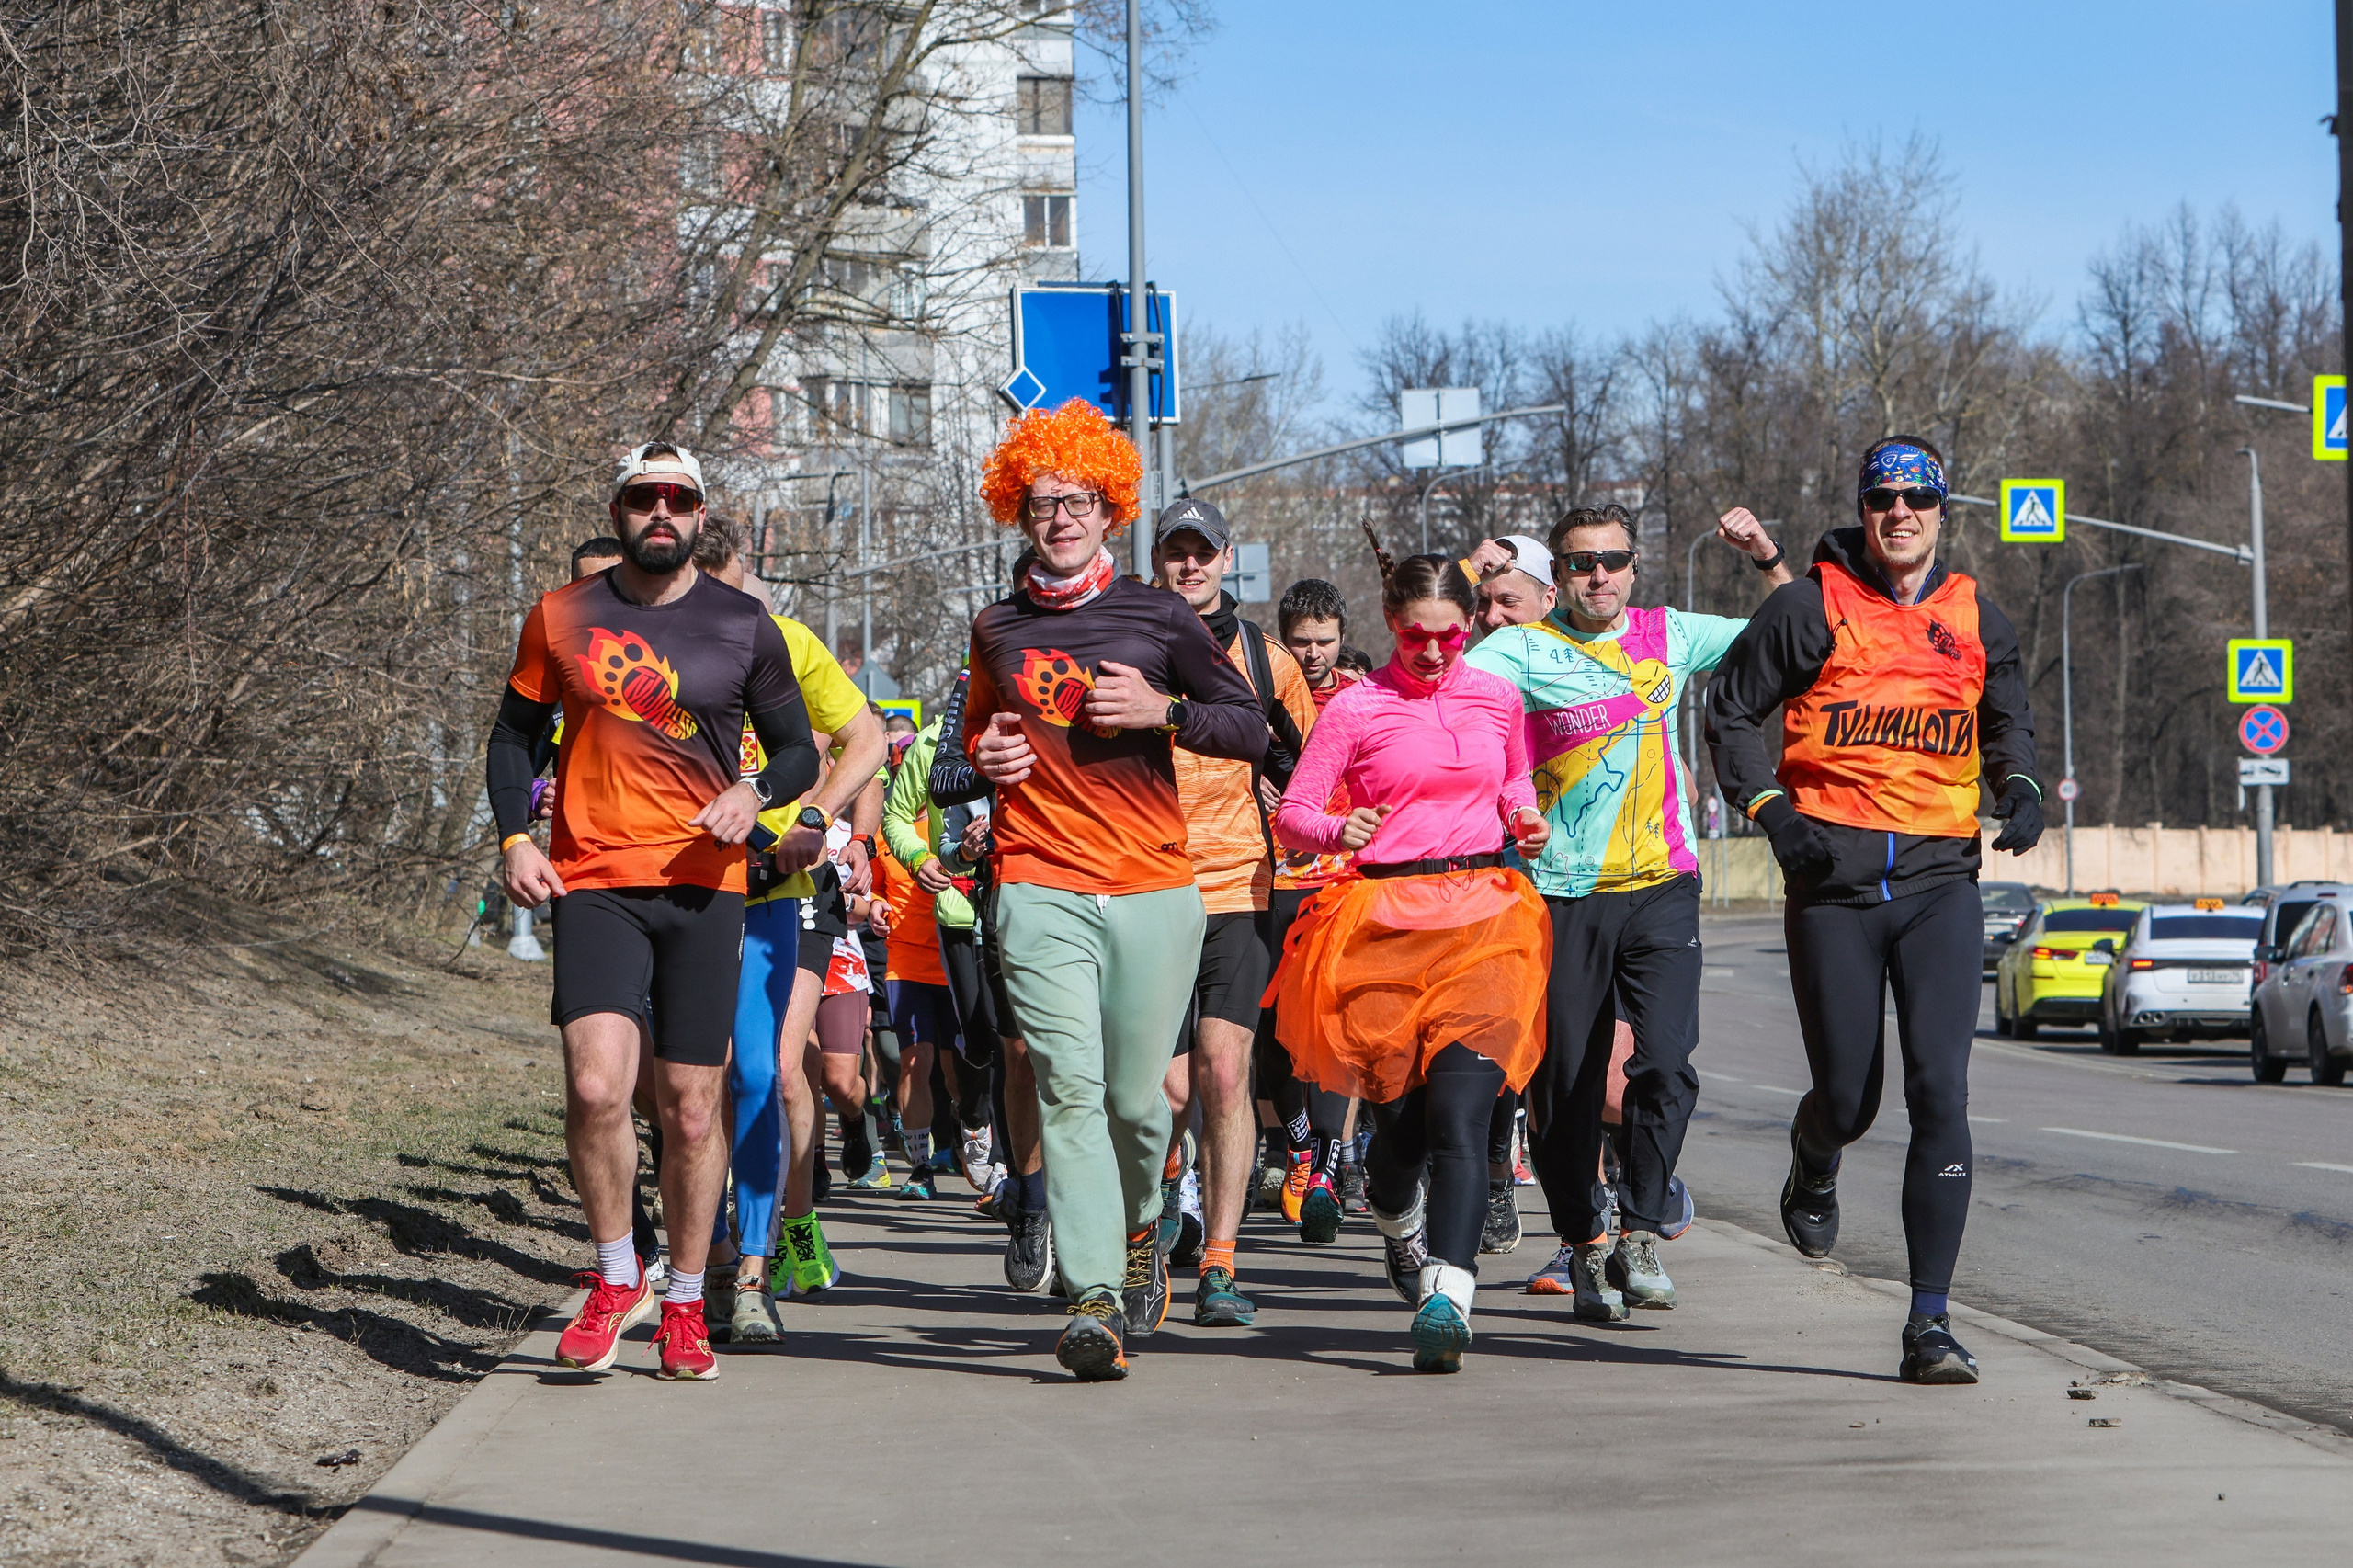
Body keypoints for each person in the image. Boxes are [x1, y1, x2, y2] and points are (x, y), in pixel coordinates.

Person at [1706, 436, 2044, 1385]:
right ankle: (1815, 1150)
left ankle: (1929, 1321)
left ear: (1942, 510)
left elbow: (2006, 721)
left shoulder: (1978, 616)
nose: (1900, 513)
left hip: (1940, 884)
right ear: (1863, 509)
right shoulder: (1806, 607)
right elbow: (1729, 711)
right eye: (1883, 498)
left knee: (1939, 1089)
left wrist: (2019, 785)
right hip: (1834, 885)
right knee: (1851, 1099)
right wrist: (1772, 814)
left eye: (1917, 498)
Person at [487, 442, 818, 1381]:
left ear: (700, 515)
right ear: (619, 511)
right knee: (596, 1087)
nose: (660, 511)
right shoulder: (560, 614)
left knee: (692, 1106)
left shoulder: (743, 624)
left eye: (678, 498)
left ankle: (684, 1300)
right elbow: (512, 735)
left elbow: (797, 749)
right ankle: (614, 1275)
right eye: (643, 497)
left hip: (704, 887)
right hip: (593, 878)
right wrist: (514, 839)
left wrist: (754, 795)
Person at [963, 400, 1266, 1381]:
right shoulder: (996, 627)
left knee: (1138, 1102)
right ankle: (1092, 1293)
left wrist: (1161, 709)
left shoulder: (1159, 614)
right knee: (1068, 1087)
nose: (1059, 519)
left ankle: (1141, 1228)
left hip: (1150, 885)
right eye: (1042, 503)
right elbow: (962, 753)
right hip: (1037, 879)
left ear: (1109, 509)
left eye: (1078, 501)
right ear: (1019, 513)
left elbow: (1249, 727)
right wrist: (984, 758)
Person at [1463, 502, 1791, 1322]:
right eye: (1581, 563)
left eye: (1612, 560)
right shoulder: (1521, 648)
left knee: (1666, 1066)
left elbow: (1793, 634)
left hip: (1663, 884)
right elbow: (1442, 685)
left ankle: (1641, 1230)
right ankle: (1583, 1240)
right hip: (1561, 892)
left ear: (1634, 568)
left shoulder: (1668, 633)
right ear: (1558, 577)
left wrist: (1766, 556)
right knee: (1563, 1089)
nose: (1598, 575)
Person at [1271, 553, 1551, 1372]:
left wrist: (1525, 819)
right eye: (1414, 636)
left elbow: (1514, 784)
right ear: (1392, 625)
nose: (1432, 652)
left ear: (1470, 626)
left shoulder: (1496, 697)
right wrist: (1338, 830)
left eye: (1449, 636)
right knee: (1401, 1135)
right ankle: (1397, 1220)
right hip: (1383, 932)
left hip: (1482, 923)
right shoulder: (1358, 707)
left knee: (1462, 1117)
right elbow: (1293, 815)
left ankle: (1447, 1297)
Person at [694, 524, 883, 1340]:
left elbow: (867, 741)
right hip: (690, 887)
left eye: (731, 590)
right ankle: (707, 1256)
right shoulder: (648, 646)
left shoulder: (786, 642)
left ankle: (767, 1250)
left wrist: (823, 821)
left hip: (787, 887)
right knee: (696, 1086)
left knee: (772, 1071)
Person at [1148, 497, 1314, 1326]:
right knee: (1164, 1088)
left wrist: (1292, 798)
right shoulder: (1129, 644)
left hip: (1240, 887)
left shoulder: (1263, 657)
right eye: (1176, 552)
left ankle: (1218, 1262)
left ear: (1226, 557)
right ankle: (1158, 1208)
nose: (1190, 566)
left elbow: (1310, 760)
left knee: (1222, 1073)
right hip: (1146, 888)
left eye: (1203, 552)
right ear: (1156, 560)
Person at [885, 694, 1052, 1290]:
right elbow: (897, 817)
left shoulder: (1053, 730)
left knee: (1036, 1058)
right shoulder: (937, 746)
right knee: (987, 1048)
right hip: (965, 912)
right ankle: (981, 1129)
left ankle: (1027, 1187)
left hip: (1052, 909)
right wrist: (927, 858)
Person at [1255, 577, 1363, 1243]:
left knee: (1333, 1025)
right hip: (1271, 882)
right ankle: (1295, 1144)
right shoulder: (1260, 696)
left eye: (1325, 641)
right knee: (1272, 1030)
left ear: (1342, 639)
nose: (1314, 653)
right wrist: (1253, 783)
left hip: (1342, 882)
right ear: (1283, 641)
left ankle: (1323, 1165)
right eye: (1302, 642)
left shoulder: (1361, 698)